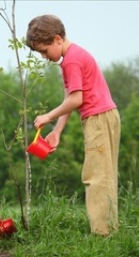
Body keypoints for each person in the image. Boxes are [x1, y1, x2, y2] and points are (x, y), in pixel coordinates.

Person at [26, 15, 120, 237]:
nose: (44, 57)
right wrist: (57, 131)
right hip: (103, 116)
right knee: (104, 174)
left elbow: (76, 100)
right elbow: (70, 97)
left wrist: (48, 116)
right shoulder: (69, 59)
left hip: (98, 118)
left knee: (96, 176)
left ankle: (103, 233)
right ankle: (109, 229)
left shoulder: (72, 60)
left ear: (57, 39)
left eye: (44, 51)